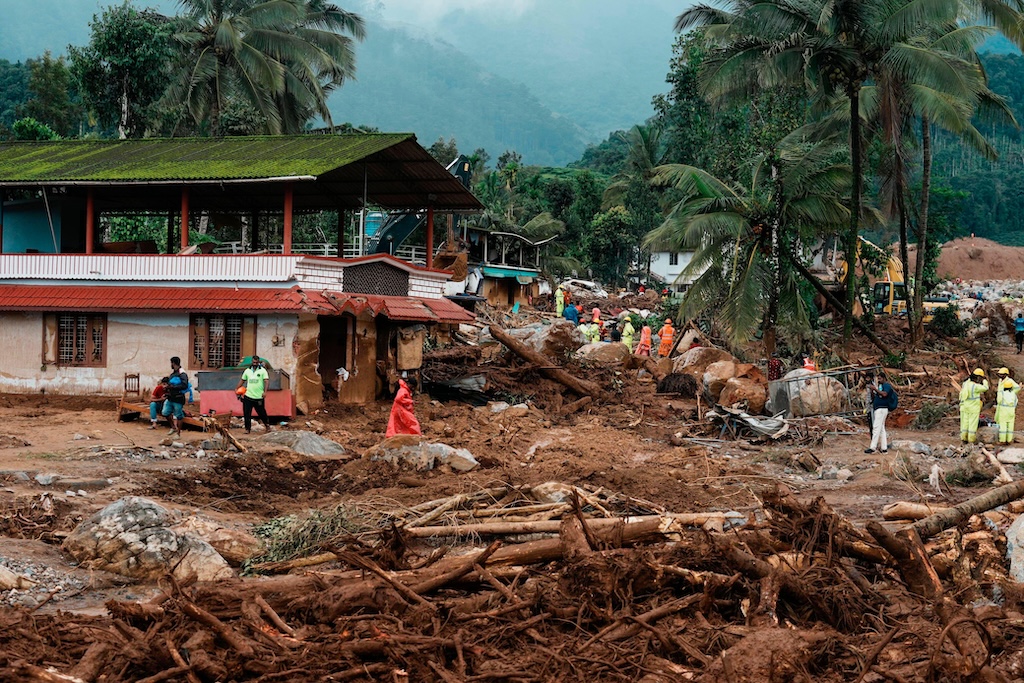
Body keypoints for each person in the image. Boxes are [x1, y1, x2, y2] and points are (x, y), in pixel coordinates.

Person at [237, 355, 272, 434]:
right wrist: (237, 388)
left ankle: (267, 426)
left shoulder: (263, 371)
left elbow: (266, 381)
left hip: (259, 396)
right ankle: (247, 429)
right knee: (247, 413)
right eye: (253, 362)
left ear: (258, 362)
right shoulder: (247, 371)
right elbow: (242, 380)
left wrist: (265, 392)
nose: (255, 364)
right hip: (248, 395)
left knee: (262, 412)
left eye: (256, 362)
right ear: (252, 362)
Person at [865, 372, 894, 454]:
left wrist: (875, 389)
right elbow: (877, 395)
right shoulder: (880, 387)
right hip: (879, 408)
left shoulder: (886, 386)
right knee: (881, 429)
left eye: (880, 378)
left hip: (882, 409)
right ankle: (884, 448)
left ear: (884, 378)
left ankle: (873, 447)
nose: (879, 380)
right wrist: (873, 390)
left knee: (876, 427)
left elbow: (884, 394)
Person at [959, 368, 989, 444]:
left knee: (964, 423)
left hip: (965, 407)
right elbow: (985, 388)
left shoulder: (965, 383)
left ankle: (964, 438)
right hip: (973, 408)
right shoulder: (975, 386)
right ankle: (971, 440)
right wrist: (985, 381)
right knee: (972, 424)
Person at [161, 357, 189, 436]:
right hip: (170, 398)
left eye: (171, 363)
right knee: (165, 413)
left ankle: (178, 434)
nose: (171, 365)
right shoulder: (173, 374)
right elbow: (170, 385)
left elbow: (184, 385)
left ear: (173, 363)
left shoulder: (182, 374)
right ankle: (173, 427)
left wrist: (172, 387)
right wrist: (167, 392)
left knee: (179, 416)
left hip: (178, 399)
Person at [995, 367, 1021, 444]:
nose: (1000, 375)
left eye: (1001, 374)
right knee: (1010, 424)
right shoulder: (1001, 381)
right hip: (1010, 409)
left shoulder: (1009, 381)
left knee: (1003, 424)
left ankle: (1003, 440)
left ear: (1005, 374)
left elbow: (1017, 388)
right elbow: (1016, 401)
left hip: (1003, 407)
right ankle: (1009, 440)